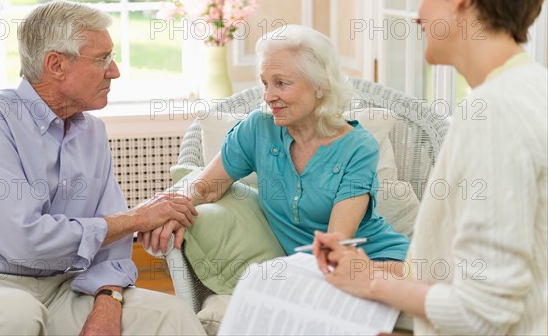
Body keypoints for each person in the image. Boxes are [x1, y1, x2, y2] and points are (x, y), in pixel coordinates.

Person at [313, 0, 548, 335]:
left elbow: (483, 313)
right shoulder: (533, 86)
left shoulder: (494, 113)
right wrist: (370, 271)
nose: (417, 14)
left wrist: (373, 284)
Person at [0, 1, 205, 336]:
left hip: (62, 286)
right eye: (102, 59)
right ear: (56, 65)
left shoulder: (92, 132)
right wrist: (139, 217)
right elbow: (25, 241)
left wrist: (109, 299)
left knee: (170, 315)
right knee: (17, 315)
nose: (114, 71)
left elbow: (113, 243)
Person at [143, 24, 410, 274]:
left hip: (370, 263)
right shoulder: (259, 128)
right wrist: (170, 212)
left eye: (281, 83)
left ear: (320, 85)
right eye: (265, 83)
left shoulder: (357, 147)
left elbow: (335, 245)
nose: (268, 96)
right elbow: (205, 188)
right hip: (316, 272)